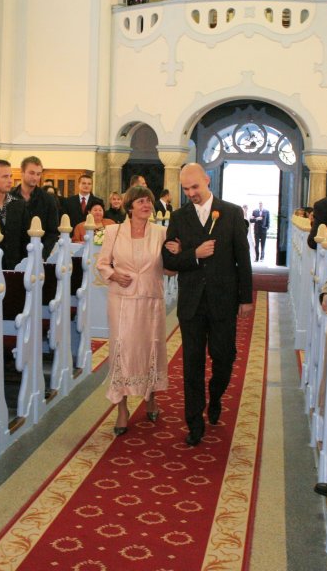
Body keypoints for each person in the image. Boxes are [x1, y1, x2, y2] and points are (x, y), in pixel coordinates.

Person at [162, 163, 253, 446]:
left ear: (207, 180)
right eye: (186, 189)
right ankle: (194, 422)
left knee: (224, 357)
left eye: (195, 187)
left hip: (223, 299)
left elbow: (242, 257)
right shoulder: (179, 217)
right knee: (192, 363)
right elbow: (169, 260)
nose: (191, 193)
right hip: (191, 303)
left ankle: (215, 396)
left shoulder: (231, 213)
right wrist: (194, 254)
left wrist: (246, 298)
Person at [96, 185, 172, 435]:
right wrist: (114, 275)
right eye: (141, 201)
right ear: (129, 207)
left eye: (148, 201)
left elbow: (170, 267)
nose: (146, 205)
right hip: (122, 300)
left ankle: (150, 398)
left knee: (151, 347)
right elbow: (102, 264)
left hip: (151, 299)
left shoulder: (161, 232)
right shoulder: (113, 231)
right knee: (122, 350)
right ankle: (122, 408)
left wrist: (179, 254)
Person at [10, 156, 60, 260]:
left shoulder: (48, 199)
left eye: (38, 174)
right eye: (31, 173)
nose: (35, 177)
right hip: (12, 256)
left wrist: (42, 253)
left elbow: (52, 232)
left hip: (39, 254)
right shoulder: (9, 197)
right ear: (22, 172)